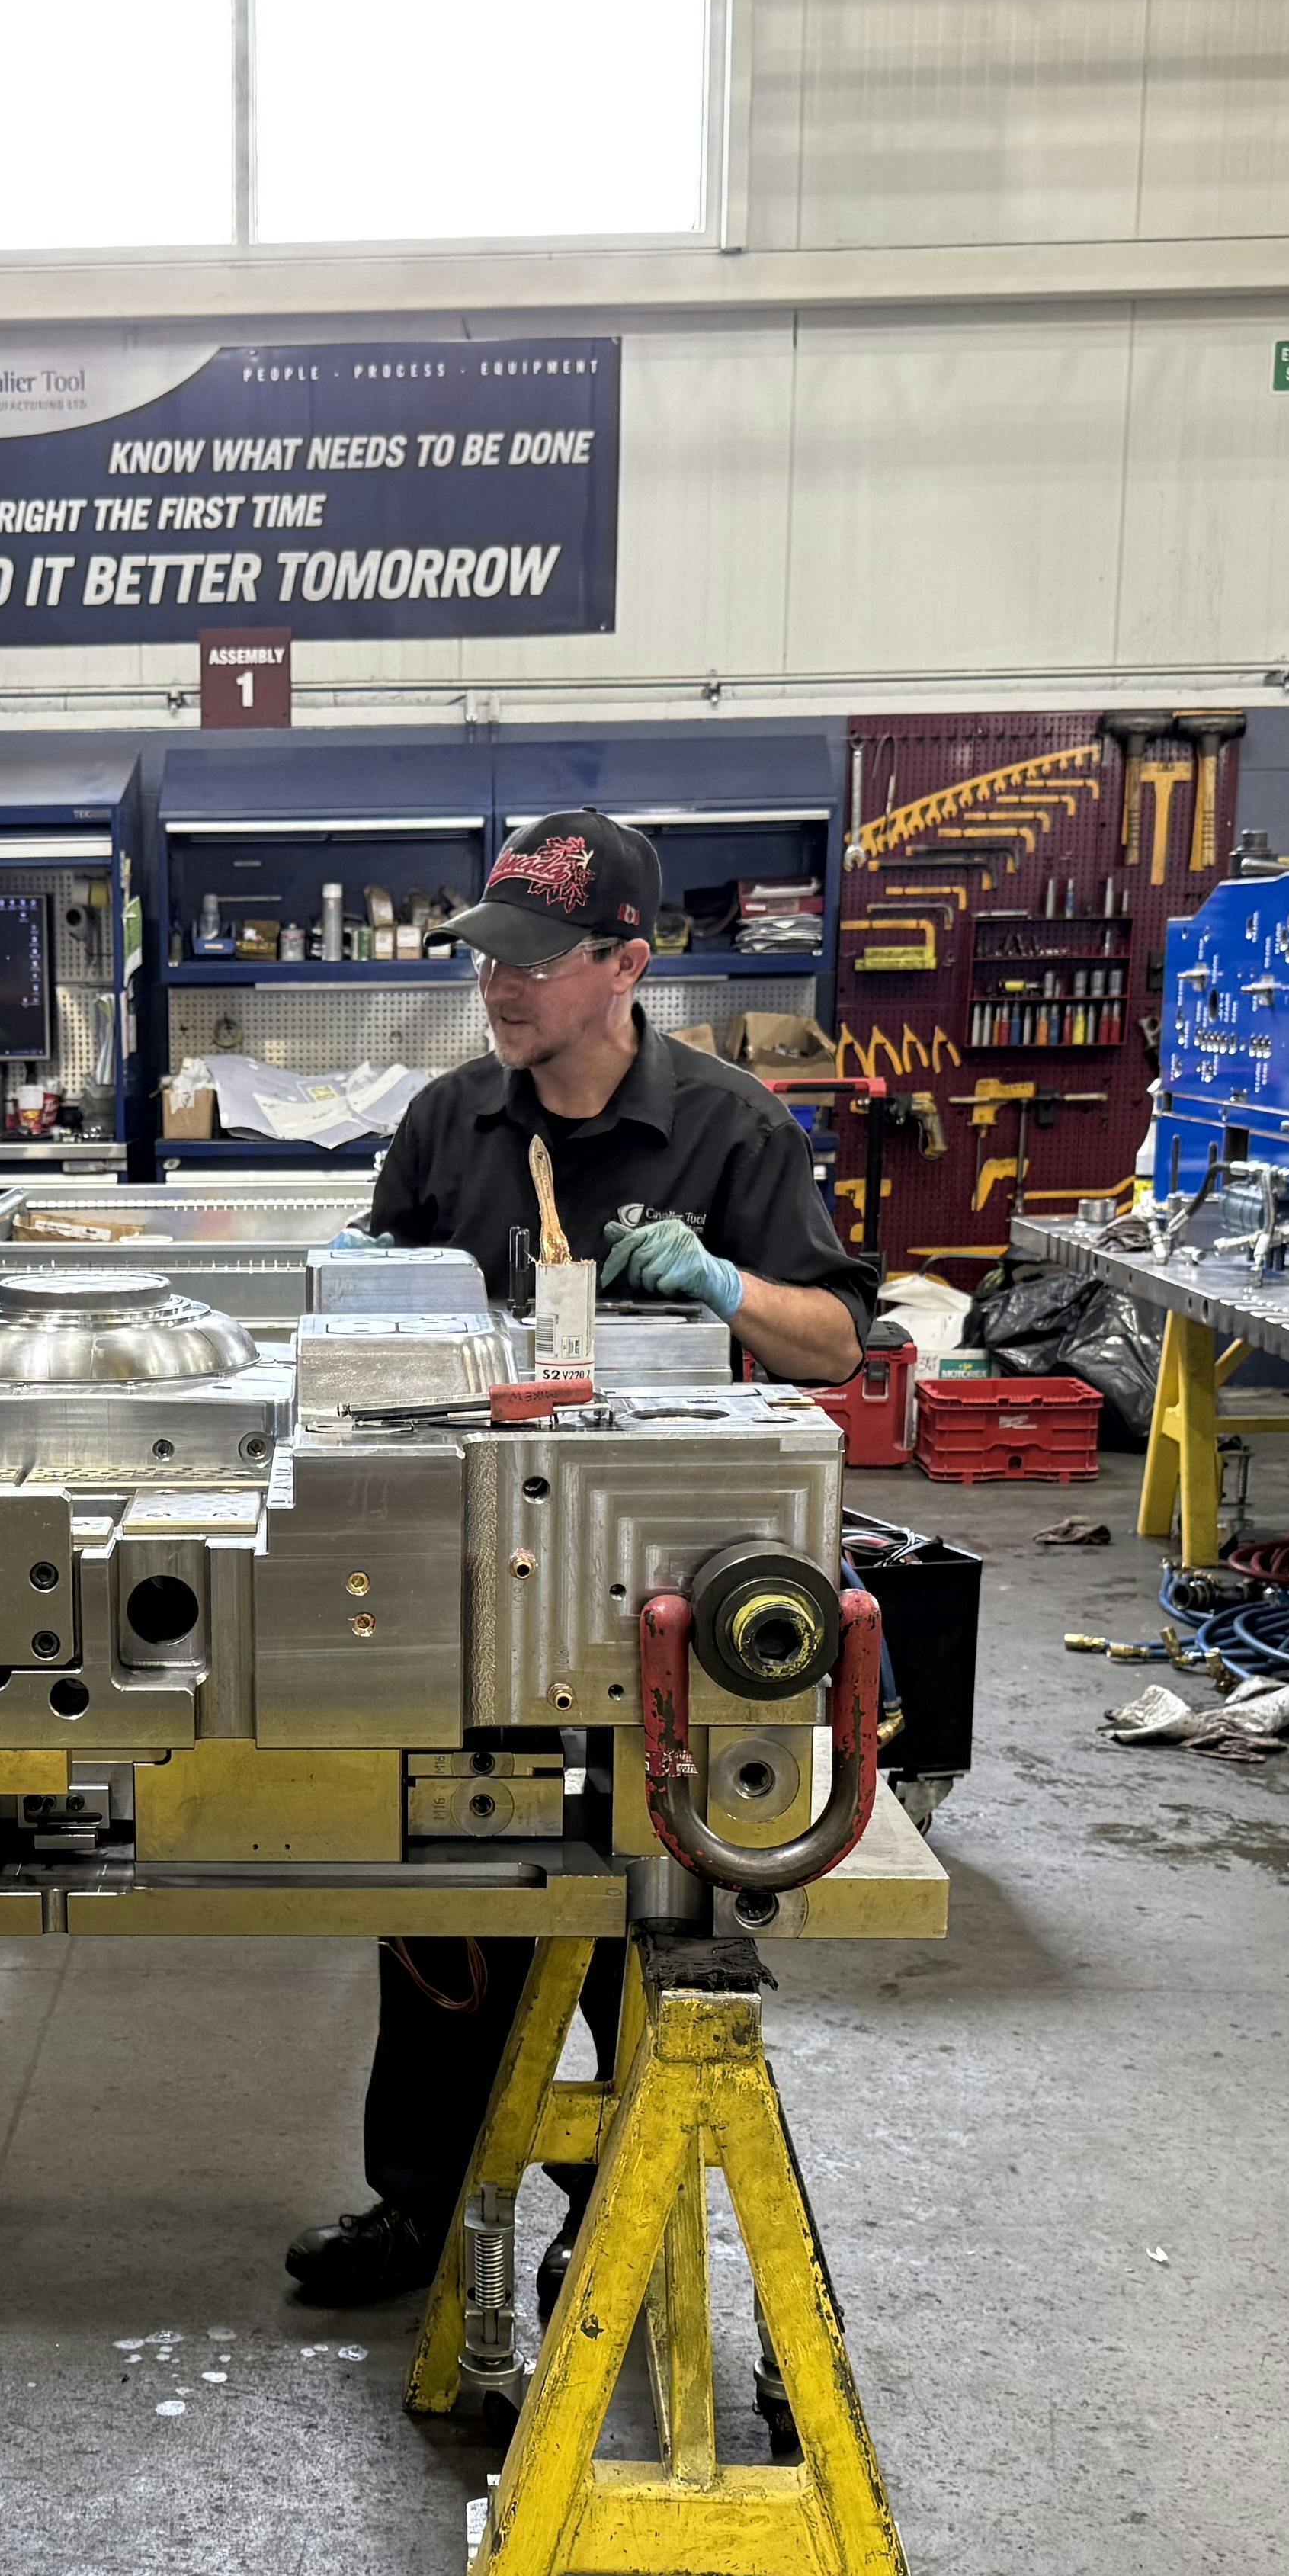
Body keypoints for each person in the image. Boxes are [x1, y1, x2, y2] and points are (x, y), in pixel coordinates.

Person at [281, 809, 883, 2308]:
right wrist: (354, 1294)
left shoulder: (732, 1128)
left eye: (537, 961)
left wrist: (721, 1281)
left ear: (627, 962)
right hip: (460, 1573)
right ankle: (421, 2206)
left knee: (634, 1913)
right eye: (491, 959)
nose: (502, 989)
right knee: (438, 1902)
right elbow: (370, 1331)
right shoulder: (446, 1124)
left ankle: (608, 2214)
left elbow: (839, 1340)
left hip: (646, 1599)